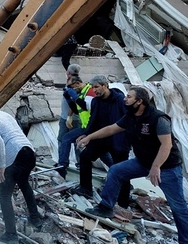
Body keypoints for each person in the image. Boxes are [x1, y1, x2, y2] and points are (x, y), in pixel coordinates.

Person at [78, 87, 188, 243]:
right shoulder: (130, 116)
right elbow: (111, 129)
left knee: (178, 207)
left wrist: (156, 167)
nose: (125, 99)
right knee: (116, 171)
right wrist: (89, 137)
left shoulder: (158, 118)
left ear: (139, 101)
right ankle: (105, 207)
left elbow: (166, 145)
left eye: (129, 97)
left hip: (166, 167)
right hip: (143, 162)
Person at [67, 76, 130, 206]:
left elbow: (128, 121)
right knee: (85, 156)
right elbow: (93, 120)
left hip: (118, 140)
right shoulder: (96, 102)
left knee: (121, 169)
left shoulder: (119, 100)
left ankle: (123, 201)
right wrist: (85, 134)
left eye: (96, 87)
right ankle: (86, 189)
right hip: (101, 138)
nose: (94, 90)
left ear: (105, 86)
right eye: (92, 87)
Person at [0, 110, 43, 243]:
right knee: (24, 183)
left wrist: (1, 166)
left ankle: (11, 235)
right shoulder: (4, 115)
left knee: (4, 194)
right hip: (29, 152)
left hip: (15, 153)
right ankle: (35, 219)